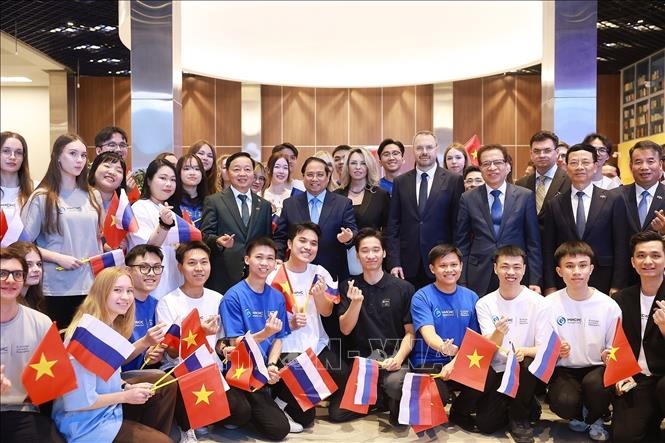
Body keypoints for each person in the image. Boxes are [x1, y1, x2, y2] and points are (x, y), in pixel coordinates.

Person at [52, 267, 176, 443]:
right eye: (117, 290)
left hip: (108, 411)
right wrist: (125, 396)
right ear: (101, 293)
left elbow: (108, 376)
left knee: (162, 387)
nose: (126, 297)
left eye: (129, 291)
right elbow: (79, 402)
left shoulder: (108, 326)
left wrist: (126, 387)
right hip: (86, 425)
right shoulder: (84, 336)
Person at [156, 241, 251, 442]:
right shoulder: (168, 302)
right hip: (181, 371)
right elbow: (171, 351)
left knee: (241, 411)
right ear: (180, 267)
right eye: (192, 263)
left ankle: (205, 416)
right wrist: (198, 333)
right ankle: (186, 424)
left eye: (204, 262)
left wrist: (225, 350)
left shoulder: (218, 299)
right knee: (184, 395)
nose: (199, 268)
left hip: (212, 370)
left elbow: (220, 342)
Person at [267, 223, 352, 427]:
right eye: (302, 241)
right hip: (285, 346)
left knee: (341, 373)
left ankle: (285, 401)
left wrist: (320, 295)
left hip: (316, 344)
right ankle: (279, 402)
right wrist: (289, 323)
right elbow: (265, 316)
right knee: (306, 419)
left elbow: (327, 312)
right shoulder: (273, 274)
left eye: (314, 243)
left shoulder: (320, 272)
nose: (308, 247)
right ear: (289, 243)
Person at [538, 241, 620, 442]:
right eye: (569, 266)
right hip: (564, 368)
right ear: (559, 271)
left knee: (596, 387)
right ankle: (581, 415)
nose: (576, 272)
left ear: (591, 269)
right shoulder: (547, 305)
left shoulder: (609, 306)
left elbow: (615, 348)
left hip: (597, 368)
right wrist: (555, 350)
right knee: (563, 402)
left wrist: (608, 354)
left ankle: (596, 416)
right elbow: (541, 345)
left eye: (582, 265)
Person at [21, 133, 103, 327]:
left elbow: (98, 239)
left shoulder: (94, 196)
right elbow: (22, 245)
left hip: (90, 285)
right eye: (73, 154)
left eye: (83, 155)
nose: (79, 160)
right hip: (55, 287)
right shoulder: (42, 197)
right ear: (58, 156)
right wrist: (58, 258)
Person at [338, 228, 415, 425]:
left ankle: (389, 395)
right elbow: (345, 329)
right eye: (364, 251)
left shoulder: (403, 288)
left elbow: (410, 333)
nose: (370, 255)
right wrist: (355, 303)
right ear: (357, 255)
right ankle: (379, 399)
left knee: (395, 384)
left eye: (376, 250)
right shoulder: (348, 286)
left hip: (393, 358)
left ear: (384, 253)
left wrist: (398, 358)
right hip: (363, 362)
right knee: (338, 414)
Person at [219, 237, 291, 440]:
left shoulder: (277, 296)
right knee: (279, 430)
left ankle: (272, 404)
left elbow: (279, 337)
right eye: (259, 257)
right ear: (247, 260)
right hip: (243, 370)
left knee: (306, 414)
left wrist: (272, 364)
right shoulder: (233, 296)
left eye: (270, 258)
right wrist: (263, 334)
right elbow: (235, 344)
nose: (264, 263)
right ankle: (249, 413)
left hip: (266, 367)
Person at [474, 246, 544, 443]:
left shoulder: (539, 302)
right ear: (495, 268)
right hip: (498, 368)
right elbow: (488, 347)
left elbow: (545, 347)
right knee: (487, 424)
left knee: (526, 364)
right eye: (505, 266)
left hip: (526, 369)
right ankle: (525, 403)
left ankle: (519, 417)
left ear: (524, 269)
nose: (511, 272)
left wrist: (525, 351)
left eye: (516, 267)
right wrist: (499, 332)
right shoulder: (484, 303)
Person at [409, 244, 482, 431]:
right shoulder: (422, 296)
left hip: (461, 359)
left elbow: (474, 339)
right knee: (437, 398)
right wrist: (442, 347)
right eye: (442, 266)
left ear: (461, 266)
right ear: (432, 269)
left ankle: (459, 412)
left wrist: (455, 362)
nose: (449, 270)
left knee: (486, 375)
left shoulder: (472, 297)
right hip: (428, 361)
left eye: (454, 265)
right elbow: (428, 334)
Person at [542, 143, 629, 296]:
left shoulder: (613, 200)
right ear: (566, 167)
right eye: (574, 163)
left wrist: (617, 285)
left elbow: (621, 245)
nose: (580, 167)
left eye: (585, 162)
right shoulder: (554, 204)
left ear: (595, 166)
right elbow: (548, 248)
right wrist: (550, 286)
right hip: (565, 281)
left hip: (604, 278)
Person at [455, 144, 542, 296]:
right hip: (479, 272)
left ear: (507, 165)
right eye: (486, 164)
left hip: (514, 271)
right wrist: (462, 280)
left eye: (497, 162)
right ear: (480, 168)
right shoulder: (468, 198)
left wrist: (535, 280)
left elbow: (533, 242)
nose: (492, 167)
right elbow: (462, 242)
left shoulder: (525, 196)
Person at [0, 248, 66, 442]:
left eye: (17, 274)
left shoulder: (41, 322)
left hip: (24, 410)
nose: (10, 280)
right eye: (2, 273)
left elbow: (55, 379)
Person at [385, 130, 465, 289]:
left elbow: (458, 226)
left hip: (441, 262)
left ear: (436, 149)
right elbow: (393, 225)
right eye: (419, 148)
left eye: (429, 147)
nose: (424, 152)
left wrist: (455, 261)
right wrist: (394, 262)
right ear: (413, 151)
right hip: (407, 265)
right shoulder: (401, 182)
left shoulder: (453, 180)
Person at [611, 231, 665, 442]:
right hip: (637, 377)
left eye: (655, 255)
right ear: (633, 262)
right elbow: (615, 342)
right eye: (641, 255)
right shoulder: (621, 298)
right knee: (624, 436)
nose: (648, 261)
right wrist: (619, 371)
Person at [274, 156, 357, 282]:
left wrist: (348, 237)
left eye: (320, 175)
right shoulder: (290, 204)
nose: (314, 179)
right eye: (310, 174)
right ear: (303, 176)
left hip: (332, 272)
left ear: (328, 177)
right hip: (297, 272)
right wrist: (278, 257)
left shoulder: (342, 203)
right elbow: (280, 237)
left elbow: (353, 230)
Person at [200, 152, 273, 294]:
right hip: (223, 275)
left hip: (255, 276)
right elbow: (204, 235)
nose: (242, 173)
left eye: (247, 169)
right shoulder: (214, 201)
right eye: (236, 169)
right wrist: (218, 241)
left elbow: (267, 240)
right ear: (227, 172)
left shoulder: (264, 205)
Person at [127, 158, 182, 299]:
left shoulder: (171, 211)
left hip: (173, 281)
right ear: (149, 180)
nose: (168, 184)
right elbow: (148, 248)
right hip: (149, 284)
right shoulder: (139, 207)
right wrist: (164, 225)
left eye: (173, 180)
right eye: (163, 178)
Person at [335, 147, 390, 274]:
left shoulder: (380, 195)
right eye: (353, 163)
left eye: (363, 163)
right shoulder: (336, 195)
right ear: (347, 167)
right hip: (341, 258)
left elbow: (388, 230)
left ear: (369, 166)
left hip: (372, 258)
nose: (358, 167)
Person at [122, 244, 166, 372]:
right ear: (128, 270)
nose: (151, 273)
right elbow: (110, 358)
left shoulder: (159, 305)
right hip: (118, 377)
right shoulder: (119, 303)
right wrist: (145, 342)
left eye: (156, 267)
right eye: (144, 267)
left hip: (148, 373)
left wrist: (153, 355)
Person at [515, 130, 571, 223]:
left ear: (557, 153)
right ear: (531, 154)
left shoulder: (570, 181)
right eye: (536, 151)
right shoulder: (521, 184)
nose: (541, 155)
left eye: (547, 151)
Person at [94, 126, 138, 199]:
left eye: (122, 145)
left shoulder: (128, 174)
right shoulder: (87, 175)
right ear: (99, 151)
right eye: (112, 145)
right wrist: (123, 192)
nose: (118, 149)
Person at [0, 131, 33, 225]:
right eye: (6, 151)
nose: (12, 157)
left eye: (18, 153)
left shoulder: (36, 189)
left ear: (23, 158)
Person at [6, 240, 46, 313]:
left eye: (39, 264)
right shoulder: (6, 303)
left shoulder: (34, 298)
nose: (36, 269)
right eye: (28, 265)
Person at [170, 154, 208, 229]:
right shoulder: (171, 201)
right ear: (179, 172)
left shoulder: (209, 201)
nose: (192, 173)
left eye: (197, 169)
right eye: (187, 169)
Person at [263, 152, 303, 217]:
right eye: (277, 167)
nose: (281, 171)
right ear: (269, 169)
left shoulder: (294, 196)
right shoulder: (261, 195)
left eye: (285, 168)